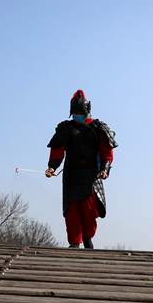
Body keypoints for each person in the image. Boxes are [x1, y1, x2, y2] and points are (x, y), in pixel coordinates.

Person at [45, 90, 117, 249]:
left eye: (80, 112)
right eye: (75, 113)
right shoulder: (66, 128)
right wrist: (52, 166)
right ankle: (74, 242)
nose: (78, 115)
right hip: (71, 175)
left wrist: (105, 169)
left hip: (92, 175)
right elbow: (58, 149)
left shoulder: (98, 128)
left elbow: (107, 152)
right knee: (72, 212)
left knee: (89, 211)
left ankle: (87, 237)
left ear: (87, 111)